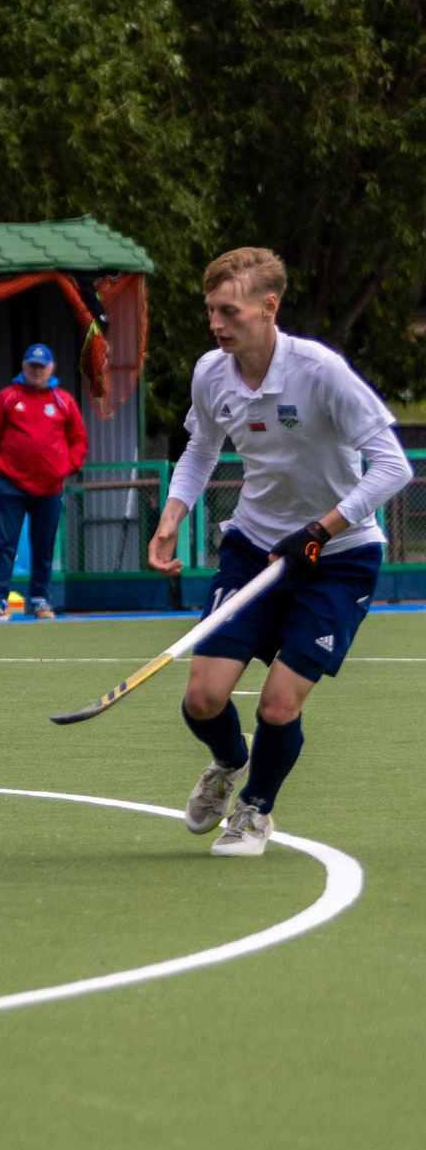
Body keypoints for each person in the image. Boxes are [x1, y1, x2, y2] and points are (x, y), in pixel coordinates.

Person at [146, 247, 412, 858]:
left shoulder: (320, 372)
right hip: (253, 548)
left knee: (278, 703)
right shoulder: (211, 373)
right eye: (211, 310)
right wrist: (171, 516)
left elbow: (393, 466)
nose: (217, 324)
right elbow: (200, 450)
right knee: (202, 698)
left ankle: (255, 810)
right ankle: (228, 760)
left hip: (339, 557)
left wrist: (321, 529)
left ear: (269, 307)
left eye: (229, 311)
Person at [0, 342, 87, 621]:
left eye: (42, 366)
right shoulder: (7, 398)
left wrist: (68, 466)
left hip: (49, 488)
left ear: (51, 368)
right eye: (32, 366)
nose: (36, 371)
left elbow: (78, 439)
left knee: (44, 544)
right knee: (4, 544)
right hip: (10, 485)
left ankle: (40, 599)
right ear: (23, 367)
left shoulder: (63, 401)